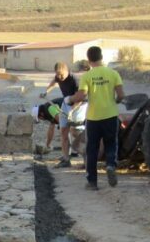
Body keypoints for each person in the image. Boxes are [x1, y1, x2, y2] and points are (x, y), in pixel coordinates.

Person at [66, 46, 125, 190]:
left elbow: (81, 96)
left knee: (92, 148)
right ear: (101, 57)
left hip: (93, 118)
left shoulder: (87, 76)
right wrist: (115, 101)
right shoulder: (113, 73)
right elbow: (121, 95)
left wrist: (69, 99)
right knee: (111, 143)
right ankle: (110, 165)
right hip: (110, 115)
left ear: (89, 59)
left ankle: (92, 182)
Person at [39, 62, 79, 168]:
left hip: (77, 106)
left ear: (67, 70)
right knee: (63, 131)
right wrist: (46, 91)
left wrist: (72, 111)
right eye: (57, 75)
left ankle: (85, 155)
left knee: (76, 132)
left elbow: (79, 97)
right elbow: (53, 83)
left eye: (61, 74)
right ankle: (66, 159)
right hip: (66, 105)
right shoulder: (58, 77)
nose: (60, 77)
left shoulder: (74, 79)